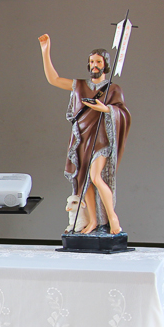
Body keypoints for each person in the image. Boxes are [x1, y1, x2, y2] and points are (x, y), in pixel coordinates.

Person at [38, 34, 131, 234]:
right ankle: (93, 220)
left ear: (105, 64)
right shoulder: (79, 85)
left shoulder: (113, 88)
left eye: (98, 62)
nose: (94, 65)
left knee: (96, 177)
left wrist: (105, 109)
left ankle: (112, 217)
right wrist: (45, 51)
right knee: (84, 181)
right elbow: (54, 79)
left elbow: (122, 113)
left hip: (101, 140)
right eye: (92, 62)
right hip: (81, 138)